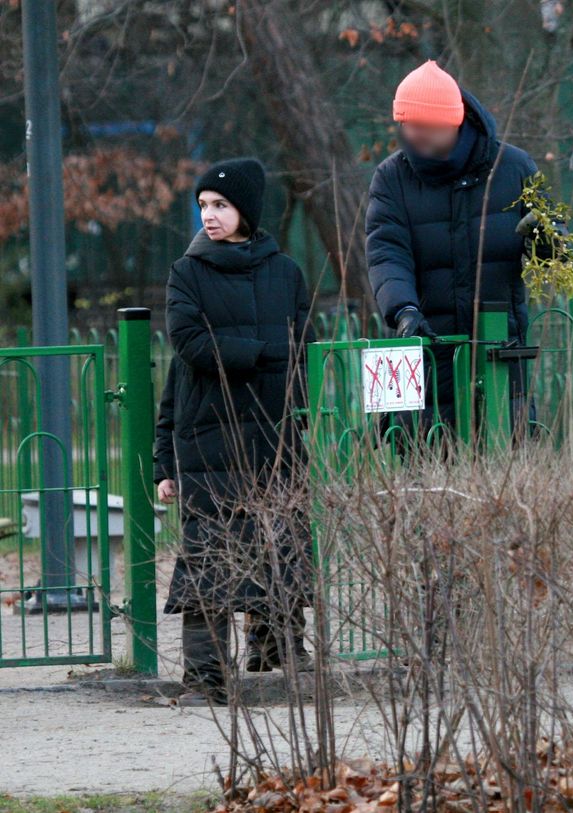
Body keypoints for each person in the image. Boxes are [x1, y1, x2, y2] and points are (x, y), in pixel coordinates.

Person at [154, 157, 314, 706]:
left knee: (280, 550)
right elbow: (190, 348)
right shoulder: (187, 273)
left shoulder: (286, 273)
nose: (209, 216)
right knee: (207, 566)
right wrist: (264, 355)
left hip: (275, 438)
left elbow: (305, 353)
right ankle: (205, 681)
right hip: (209, 443)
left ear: (246, 209)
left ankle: (278, 656)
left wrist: (281, 377)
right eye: (203, 206)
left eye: (220, 205)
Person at [366, 60, 549, 431]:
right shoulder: (391, 177)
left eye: (423, 126)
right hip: (419, 342)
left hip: (498, 346)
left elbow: (550, 250)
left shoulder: (513, 168)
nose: (412, 134)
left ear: (453, 122)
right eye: (407, 124)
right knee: (418, 451)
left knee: (503, 449)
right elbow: (386, 251)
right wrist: (403, 310)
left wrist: (546, 240)